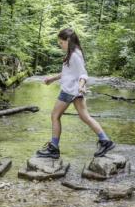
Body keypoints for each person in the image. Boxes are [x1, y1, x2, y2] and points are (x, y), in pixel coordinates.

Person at [35, 28, 115, 159]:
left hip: (69, 90)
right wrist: (52, 78)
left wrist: (81, 85)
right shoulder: (73, 52)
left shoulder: (74, 55)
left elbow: (83, 74)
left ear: (67, 40)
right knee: (85, 117)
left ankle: (53, 148)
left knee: (55, 115)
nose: (60, 46)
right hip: (75, 91)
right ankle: (105, 140)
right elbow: (68, 73)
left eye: (61, 43)